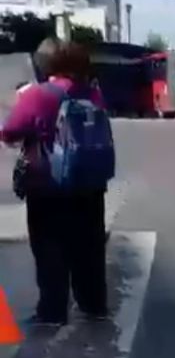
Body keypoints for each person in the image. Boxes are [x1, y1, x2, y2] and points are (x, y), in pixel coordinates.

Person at [1, 39, 109, 325]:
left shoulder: (39, 94)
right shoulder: (93, 93)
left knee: (50, 248)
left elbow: (10, 131)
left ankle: (52, 311)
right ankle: (94, 305)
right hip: (91, 182)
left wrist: (23, 102)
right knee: (89, 246)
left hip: (49, 184)